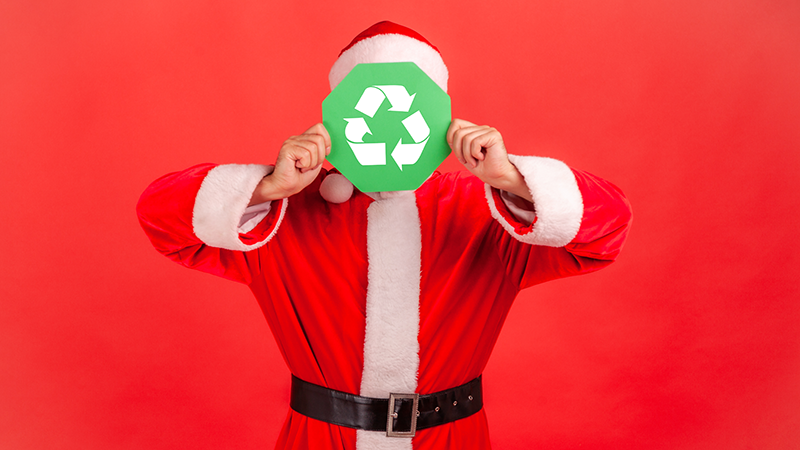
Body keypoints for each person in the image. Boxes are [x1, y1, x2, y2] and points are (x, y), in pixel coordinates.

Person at [137, 21, 632, 450]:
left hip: (452, 439)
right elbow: (161, 217)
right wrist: (266, 185)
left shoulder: (487, 213)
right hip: (320, 439)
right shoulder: (279, 215)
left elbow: (605, 232)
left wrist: (512, 180)